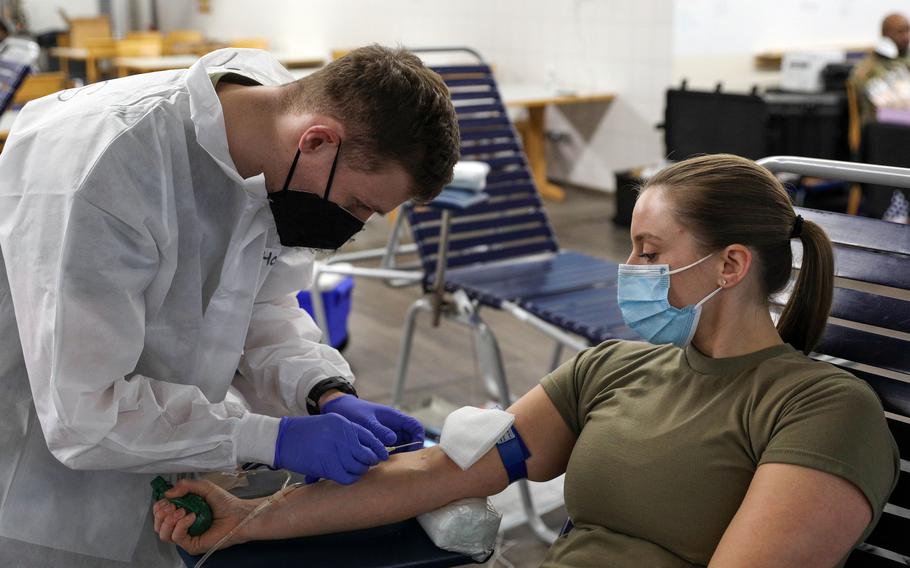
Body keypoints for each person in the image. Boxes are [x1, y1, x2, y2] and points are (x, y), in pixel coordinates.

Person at [154, 154, 899, 567]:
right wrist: (250, 520)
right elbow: (447, 469)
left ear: (731, 264)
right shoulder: (614, 370)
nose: (630, 268)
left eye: (650, 252)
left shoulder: (821, 410)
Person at [0, 45, 459, 567]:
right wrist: (270, 437)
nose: (353, 226)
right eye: (358, 205)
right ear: (318, 141)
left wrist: (322, 392)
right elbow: (83, 411)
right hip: (33, 486)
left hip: (158, 463)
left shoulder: (274, 145)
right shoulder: (107, 165)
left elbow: (264, 306)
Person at [849, 12, 910, 222]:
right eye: (900, 31)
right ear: (885, 34)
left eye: (908, 30)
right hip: (879, 136)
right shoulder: (868, 68)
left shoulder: (906, 62)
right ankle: (894, 208)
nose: (906, 36)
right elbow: (871, 94)